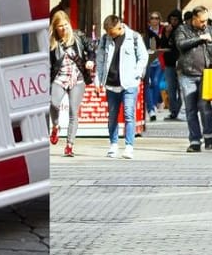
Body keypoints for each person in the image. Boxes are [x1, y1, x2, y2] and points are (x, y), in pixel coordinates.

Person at [96, 14, 147, 159]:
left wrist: (136, 74)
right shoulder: (105, 39)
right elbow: (100, 59)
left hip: (129, 83)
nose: (110, 36)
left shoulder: (134, 37)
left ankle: (129, 146)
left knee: (128, 115)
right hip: (111, 84)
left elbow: (143, 57)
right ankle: (113, 145)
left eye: (112, 33)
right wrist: (98, 80)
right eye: (108, 33)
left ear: (120, 26)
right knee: (112, 116)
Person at [173, 6, 212, 153]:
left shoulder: (211, 30)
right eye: (202, 21)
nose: (205, 23)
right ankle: (194, 140)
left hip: (206, 74)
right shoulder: (182, 30)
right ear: (194, 19)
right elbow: (181, 45)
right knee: (191, 109)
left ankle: (209, 137)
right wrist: (200, 38)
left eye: (206, 20)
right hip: (187, 74)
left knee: (205, 106)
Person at [49, 9, 95, 158]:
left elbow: (91, 48)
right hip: (60, 78)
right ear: (55, 27)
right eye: (60, 26)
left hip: (77, 79)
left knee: (73, 112)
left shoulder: (78, 36)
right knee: (54, 103)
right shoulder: (52, 42)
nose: (64, 29)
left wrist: (90, 60)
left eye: (66, 25)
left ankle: (69, 145)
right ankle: (55, 126)